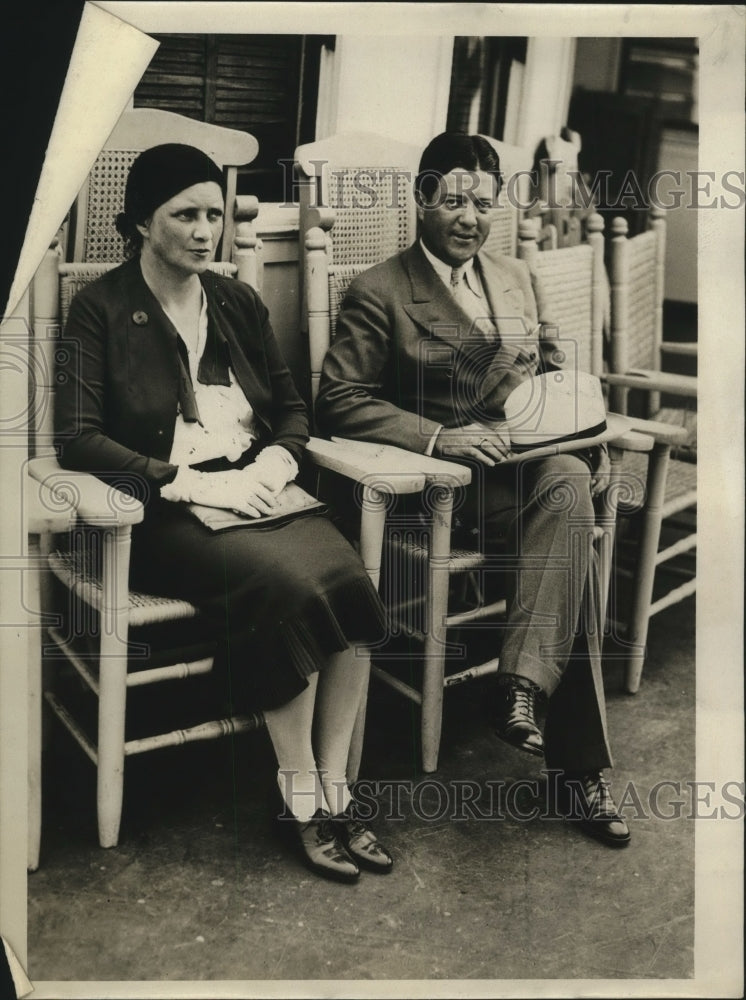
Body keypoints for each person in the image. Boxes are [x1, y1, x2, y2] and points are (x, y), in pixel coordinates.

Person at [54, 142, 395, 882]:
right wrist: (186, 483)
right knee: (292, 589)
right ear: (140, 223)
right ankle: (297, 793)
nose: (205, 230)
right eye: (185, 215)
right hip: (162, 514)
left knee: (350, 582)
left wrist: (276, 462)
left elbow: (293, 409)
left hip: (256, 490)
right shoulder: (100, 309)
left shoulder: (237, 301)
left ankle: (337, 785)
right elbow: (77, 438)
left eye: (214, 214)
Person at [316, 132, 630, 847]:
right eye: (455, 201)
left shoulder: (514, 276)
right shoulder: (380, 291)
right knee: (574, 543)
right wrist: (437, 437)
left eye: (484, 205)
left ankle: (519, 688)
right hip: (447, 490)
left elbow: (548, 373)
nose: (470, 218)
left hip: (531, 467)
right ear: (421, 199)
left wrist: (588, 433)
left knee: (570, 485)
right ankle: (575, 765)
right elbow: (339, 398)